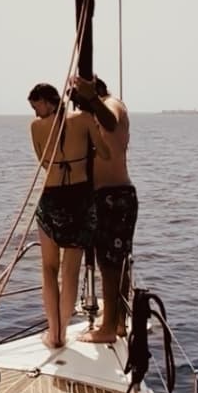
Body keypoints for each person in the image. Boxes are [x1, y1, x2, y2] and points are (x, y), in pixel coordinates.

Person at [28, 82, 110, 349]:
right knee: (69, 271)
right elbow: (105, 153)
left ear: (49, 101)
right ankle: (61, 329)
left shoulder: (36, 127)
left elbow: (43, 160)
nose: (35, 112)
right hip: (79, 198)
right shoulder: (85, 119)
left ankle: (55, 335)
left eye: (36, 105)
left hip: (51, 196)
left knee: (49, 269)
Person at [69, 75, 137, 343]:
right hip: (106, 196)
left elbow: (111, 121)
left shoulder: (112, 105)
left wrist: (92, 99)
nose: (76, 103)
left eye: (77, 97)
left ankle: (109, 328)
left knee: (110, 265)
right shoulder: (96, 111)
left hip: (114, 196)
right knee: (112, 262)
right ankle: (116, 320)